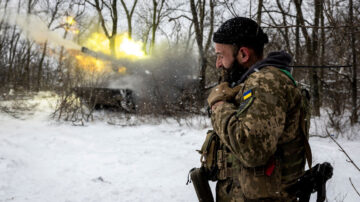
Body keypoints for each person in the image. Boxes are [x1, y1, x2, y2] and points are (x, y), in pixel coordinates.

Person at [206, 17, 310, 201]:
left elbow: (252, 149)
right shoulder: (252, 83)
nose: (218, 64)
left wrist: (219, 106)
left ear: (243, 54)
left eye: (221, 56)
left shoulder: (265, 82)